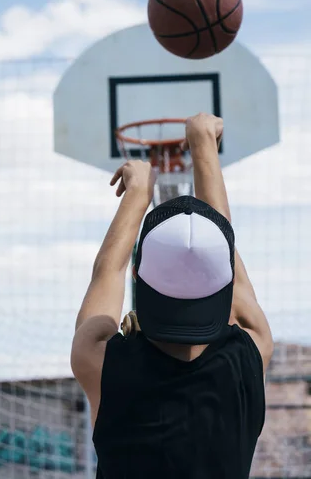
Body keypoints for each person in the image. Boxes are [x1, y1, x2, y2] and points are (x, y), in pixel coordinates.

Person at [71, 113, 273, 479]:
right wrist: (203, 144)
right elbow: (230, 281)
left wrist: (138, 192)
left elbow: (107, 272)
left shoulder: (101, 361)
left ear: (138, 275)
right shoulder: (251, 351)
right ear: (223, 288)